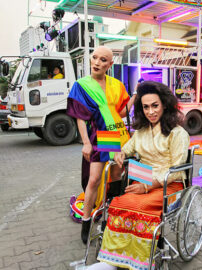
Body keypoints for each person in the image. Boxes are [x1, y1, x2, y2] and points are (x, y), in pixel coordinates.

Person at [87, 81, 190, 270]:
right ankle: (114, 259)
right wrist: (120, 153)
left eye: (155, 106)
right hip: (142, 180)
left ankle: (140, 261)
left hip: (168, 185)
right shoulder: (141, 132)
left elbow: (177, 170)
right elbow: (127, 148)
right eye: (146, 107)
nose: (151, 111)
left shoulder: (178, 134)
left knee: (138, 205)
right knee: (118, 203)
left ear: (165, 105)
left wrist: (148, 186)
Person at [66, 46, 137, 244]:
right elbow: (80, 117)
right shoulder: (81, 85)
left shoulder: (117, 84)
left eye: (103, 59)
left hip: (119, 134)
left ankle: (111, 218)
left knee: (115, 177)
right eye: (95, 58)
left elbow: (122, 113)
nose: (97, 62)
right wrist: (86, 142)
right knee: (95, 179)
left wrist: (135, 97)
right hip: (99, 135)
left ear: (110, 64)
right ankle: (87, 221)